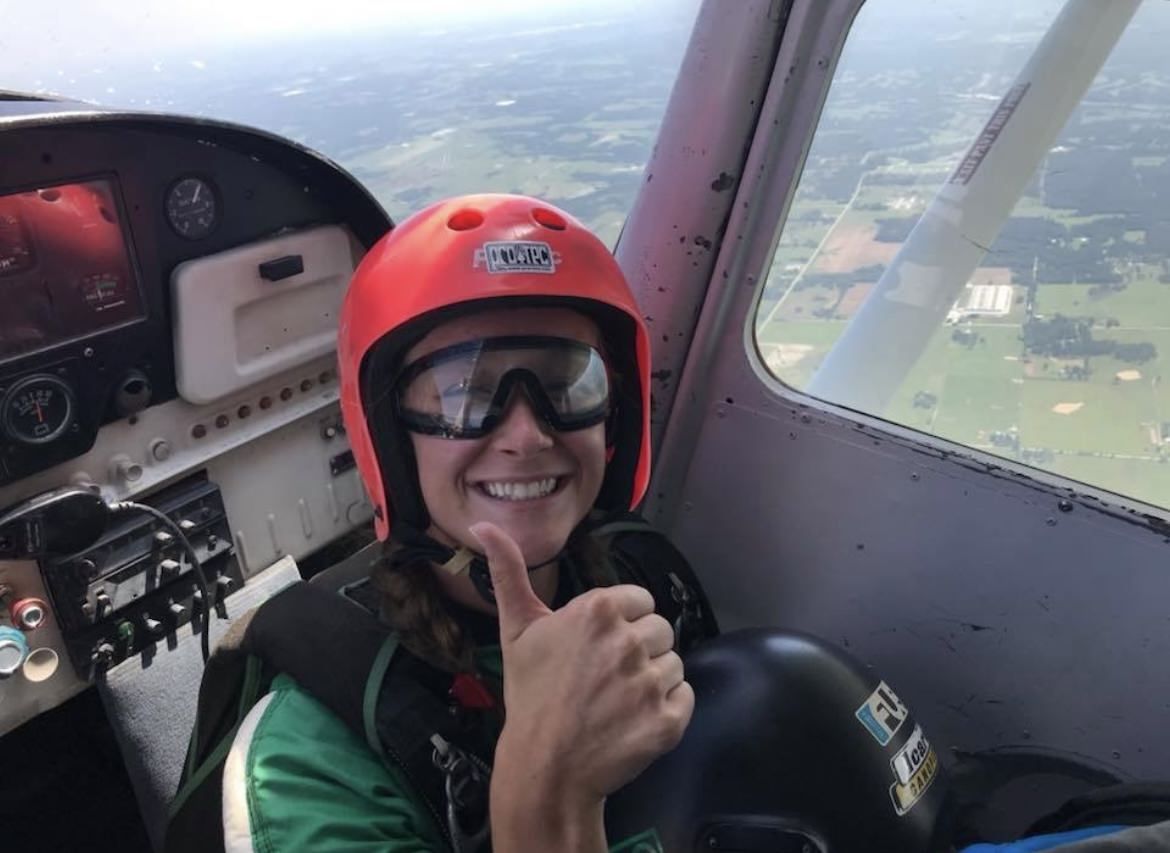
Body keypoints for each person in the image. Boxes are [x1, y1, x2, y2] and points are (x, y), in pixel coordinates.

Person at [217, 193, 715, 852]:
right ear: (392, 437)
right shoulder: (303, 762)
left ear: (613, 418)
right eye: (465, 392)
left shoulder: (648, 578)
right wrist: (549, 789)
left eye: (567, 382)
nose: (527, 433)